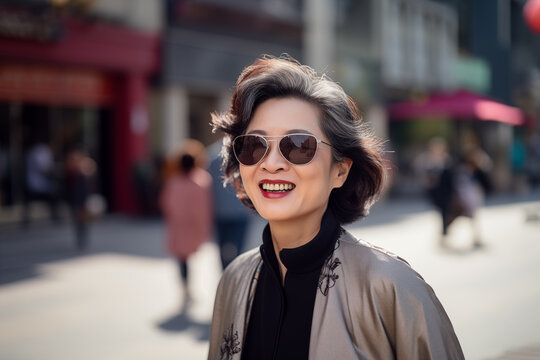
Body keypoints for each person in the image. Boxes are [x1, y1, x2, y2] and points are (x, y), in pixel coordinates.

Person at [207, 56, 464, 359]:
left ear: (340, 171)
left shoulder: (392, 287)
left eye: (299, 145)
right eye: (254, 145)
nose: (272, 164)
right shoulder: (234, 280)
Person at [160, 139, 212, 306]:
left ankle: (185, 287)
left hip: (178, 226)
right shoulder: (202, 181)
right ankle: (187, 288)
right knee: (188, 257)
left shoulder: (173, 182)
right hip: (193, 226)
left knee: (182, 258)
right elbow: (204, 208)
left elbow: (165, 203)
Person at [208, 137, 251, 269]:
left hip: (219, 210)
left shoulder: (211, 155)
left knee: (221, 247)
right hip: (240, 208)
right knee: (239, 248)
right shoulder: (244, 153)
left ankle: (226, 273)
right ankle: (236, 274)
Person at [64, 148, 98, 250]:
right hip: (75, 199)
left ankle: (83, 238)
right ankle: (80, 238)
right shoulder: (72, 171)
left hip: (82, 199)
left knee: (83, 221)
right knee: (77, 220)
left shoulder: (85, 170)